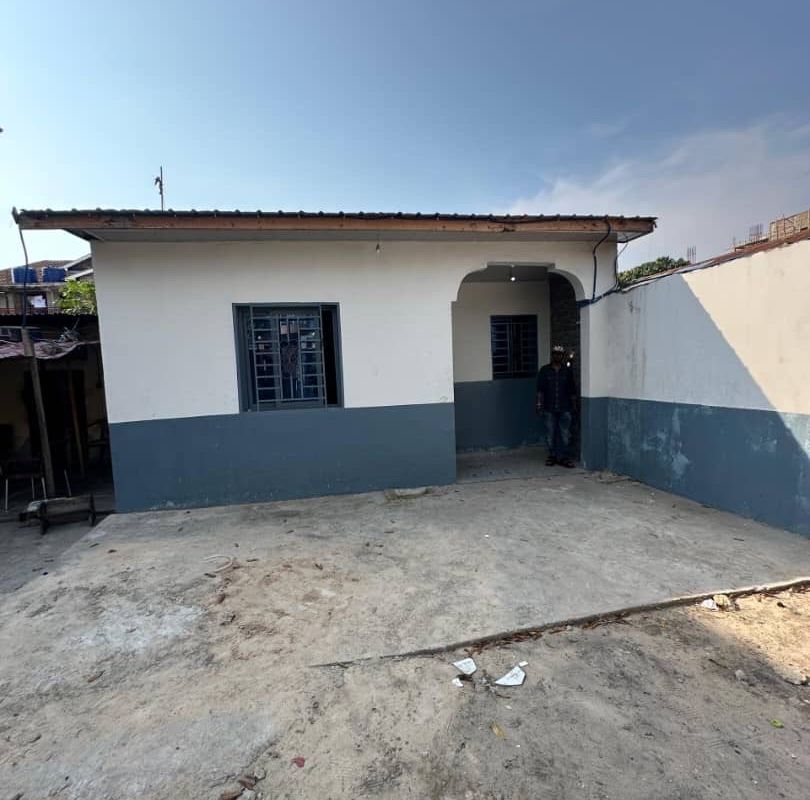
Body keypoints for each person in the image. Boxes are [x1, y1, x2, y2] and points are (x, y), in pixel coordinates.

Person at [536, 345, 577, 467]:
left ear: (562, 356)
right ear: (552, 355)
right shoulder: (544, 370)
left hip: (565, 407)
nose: (557, 356)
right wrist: (538, 405)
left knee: (565, 434)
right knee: (550, 433)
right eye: (555, 354)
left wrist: (574, 406)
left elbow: (572, 390)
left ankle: (564, 457)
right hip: (549, 408)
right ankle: (552, 456)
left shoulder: (567, 371)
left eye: (559, 354)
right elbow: (540, 390)